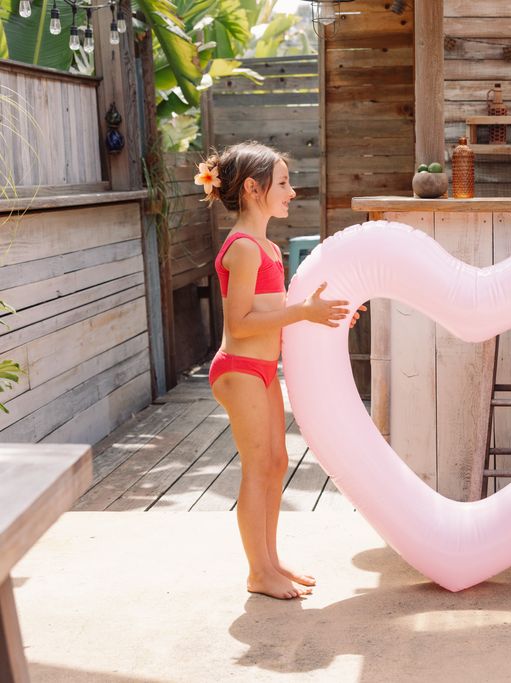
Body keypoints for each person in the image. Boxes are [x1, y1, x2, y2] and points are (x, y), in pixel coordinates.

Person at [196, 141, 362, 600]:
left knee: (276, 463)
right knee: (257, 467)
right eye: (283, 183)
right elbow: (239, 323)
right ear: (254, 188)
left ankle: (270, 560)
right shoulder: (243, 248)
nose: (291, 191)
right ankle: (258, 571)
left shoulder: (267, 246)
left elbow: (278, 312)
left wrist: (328, 314)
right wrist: (303, 312)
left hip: (262, 369)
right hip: (240, 368)